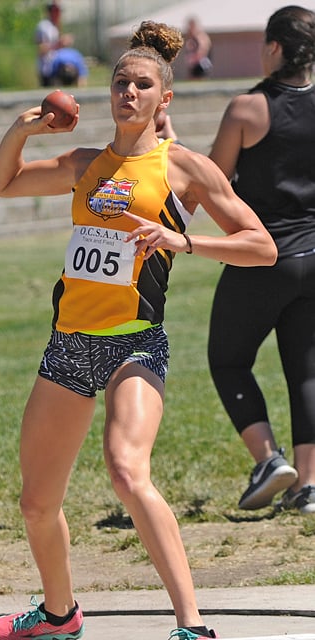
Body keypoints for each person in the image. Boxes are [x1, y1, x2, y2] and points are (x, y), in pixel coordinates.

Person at [0, 20, 276, 640]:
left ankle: (192, 626)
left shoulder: (184, 169)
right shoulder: (85, 163)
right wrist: (23, 128)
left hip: (135, 341)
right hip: (69, 343)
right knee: (36, 503)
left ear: (163, 98)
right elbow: (4, 182)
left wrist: (184, 238)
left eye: (142, 85)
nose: (129, 93)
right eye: (122, 83)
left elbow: (262, 245)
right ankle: (60, 616)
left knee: (125, 469)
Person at [207, 6, 315, 514]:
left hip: (263, 256)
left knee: (228, 360)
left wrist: (170, 141)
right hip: (314, 258)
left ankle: (269, 460)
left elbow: (214, 179)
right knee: (306, 371)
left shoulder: (247, 109)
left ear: (273, 47)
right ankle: (308, 486)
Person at [35, 2, 62, 87]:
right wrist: (59, 44)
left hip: (56, 66)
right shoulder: (44, 26)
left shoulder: (54, 26)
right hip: (46, 68)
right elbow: (41, 49)